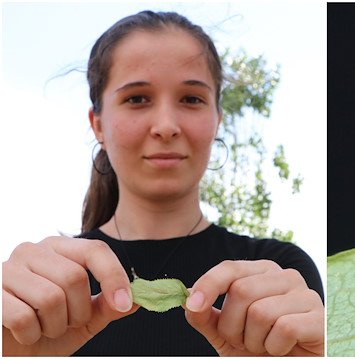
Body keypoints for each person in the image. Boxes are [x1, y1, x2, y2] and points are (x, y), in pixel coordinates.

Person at [2, 10, 324, 356]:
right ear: (98, 125)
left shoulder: (280, 279)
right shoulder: (45, 292)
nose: (166, 125)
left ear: (216, 121)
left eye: (191, 99)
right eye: (137, 98)